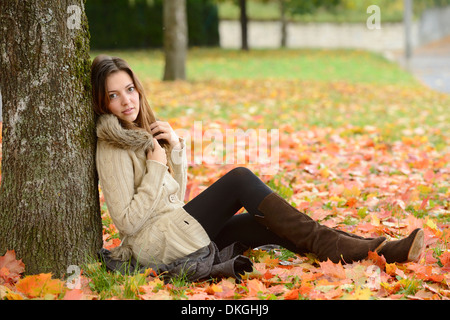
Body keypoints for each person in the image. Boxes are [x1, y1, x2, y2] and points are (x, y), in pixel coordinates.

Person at [91, 55, 424, 268]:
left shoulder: (142, 135)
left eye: (130, 89)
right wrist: (156, 167)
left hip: (174, 230)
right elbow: (127, 222)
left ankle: (379, 252)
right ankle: (376, 249)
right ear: (102, 102)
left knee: (270, 225)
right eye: (114, 95)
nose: (126, 100)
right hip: (157, 244)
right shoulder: (112, 148)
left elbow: (173, 194)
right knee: (239, 179)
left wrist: (174, 148)